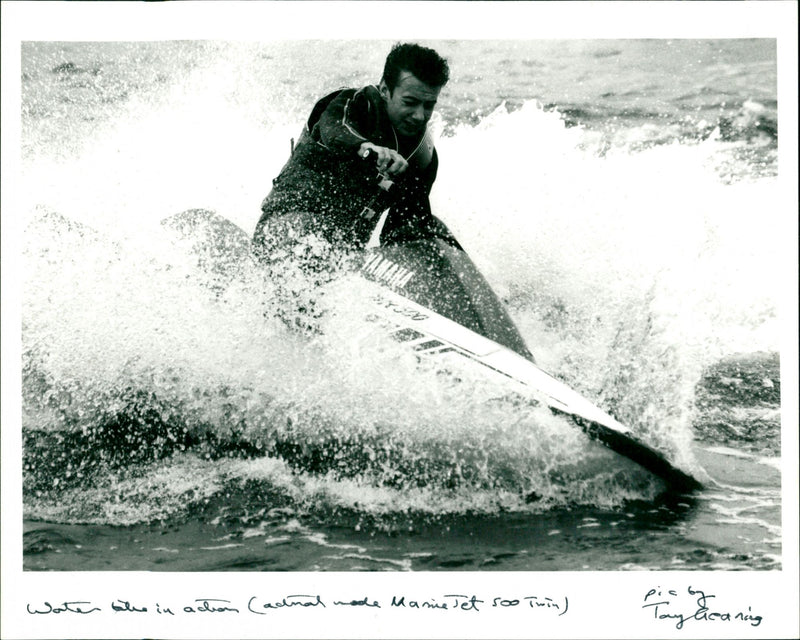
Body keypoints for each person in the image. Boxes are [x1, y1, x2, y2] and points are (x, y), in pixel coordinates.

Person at [253, 42, 450, 258]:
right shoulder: (353, 104)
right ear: (385, 90)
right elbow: (334, 130)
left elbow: (401, 232)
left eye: (429, 105)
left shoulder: (422, 158)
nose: (420, 115)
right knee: (324, 238)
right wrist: (367, 148)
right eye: (410, 102)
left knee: (424, 234)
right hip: (283, 230)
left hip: (345, 255)